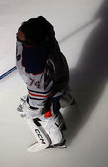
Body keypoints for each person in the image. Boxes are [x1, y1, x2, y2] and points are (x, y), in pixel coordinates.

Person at [15, 16, 75, 148]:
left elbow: (40, 92)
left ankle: (57, 140)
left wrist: (33, 108)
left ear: (31, 41)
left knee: (45, 114)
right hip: (59, 72)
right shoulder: (42, 28)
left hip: (52, 87)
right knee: (59, 92)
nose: (17, 33)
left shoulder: (35, 65)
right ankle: (67, 98)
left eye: (21, 34)